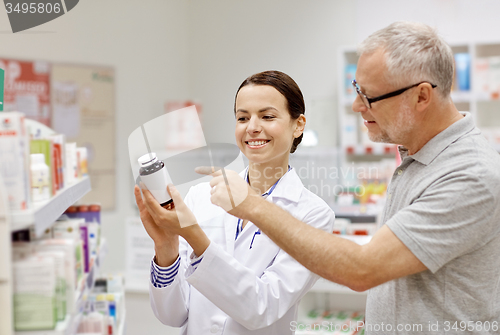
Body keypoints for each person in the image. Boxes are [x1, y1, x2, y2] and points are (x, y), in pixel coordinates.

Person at [195, 22, 500, 334]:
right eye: (356, 90)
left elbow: (362, 269)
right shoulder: (417, 161)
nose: (357, 106)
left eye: (369, 97)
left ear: (422, 96)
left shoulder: (469, 175)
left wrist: (251, 205)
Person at [134, 70, 335, 334]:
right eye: (242, 117)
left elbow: (262, 308)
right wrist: (166, 245)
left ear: (298, 125)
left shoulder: (314, 216)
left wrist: (193, 235)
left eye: (267, 116)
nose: (252, 127)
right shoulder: (200, 197)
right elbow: (173, 315)